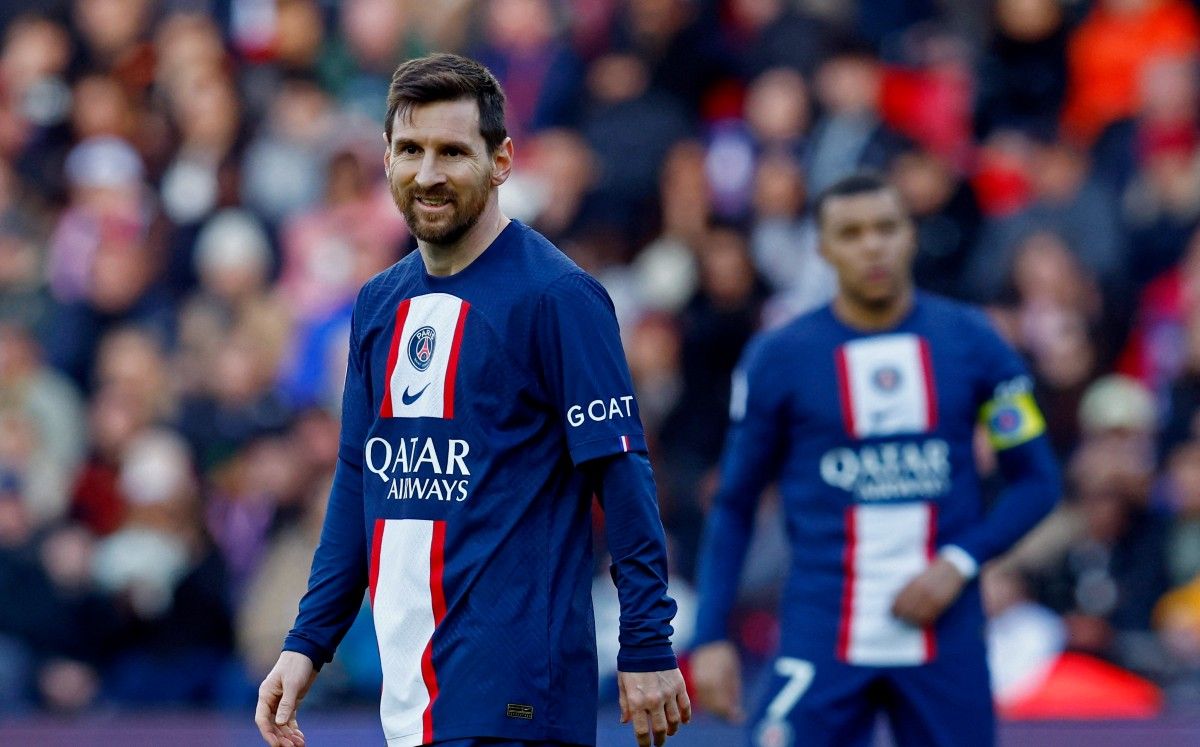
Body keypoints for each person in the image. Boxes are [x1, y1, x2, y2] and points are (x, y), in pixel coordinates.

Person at [253, 54, 689, 747]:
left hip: (516, 696)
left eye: (453, 151)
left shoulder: (558, 297)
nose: (427, 174)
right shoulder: (379, 303)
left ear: (502, 160)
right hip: (411, 695)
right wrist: (308, 642)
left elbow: (623, 472)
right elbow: (360, 480)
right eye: (410, 151)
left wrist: (647, 642)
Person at [689, 172, 1062, 746]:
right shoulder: (780, 358)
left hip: (945, 636)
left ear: (910, 236)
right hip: (824, 628)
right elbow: (735, 503)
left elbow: (1038, 482)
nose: (872, 245)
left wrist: (961, 562)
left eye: (886, 228)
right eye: (852, 232)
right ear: (823, 247)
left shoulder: (975, 341)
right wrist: (711, 635)